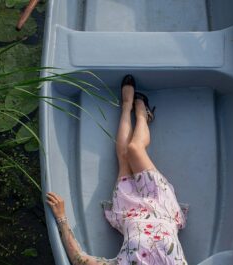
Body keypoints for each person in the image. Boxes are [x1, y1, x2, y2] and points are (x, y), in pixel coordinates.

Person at [46, 75, 188, 265]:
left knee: (123, 156)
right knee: (134, 149)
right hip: (161, 205)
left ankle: (127, 106)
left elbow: (78, 260)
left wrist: (61, 217)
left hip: (129, 212)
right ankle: (142, 115)